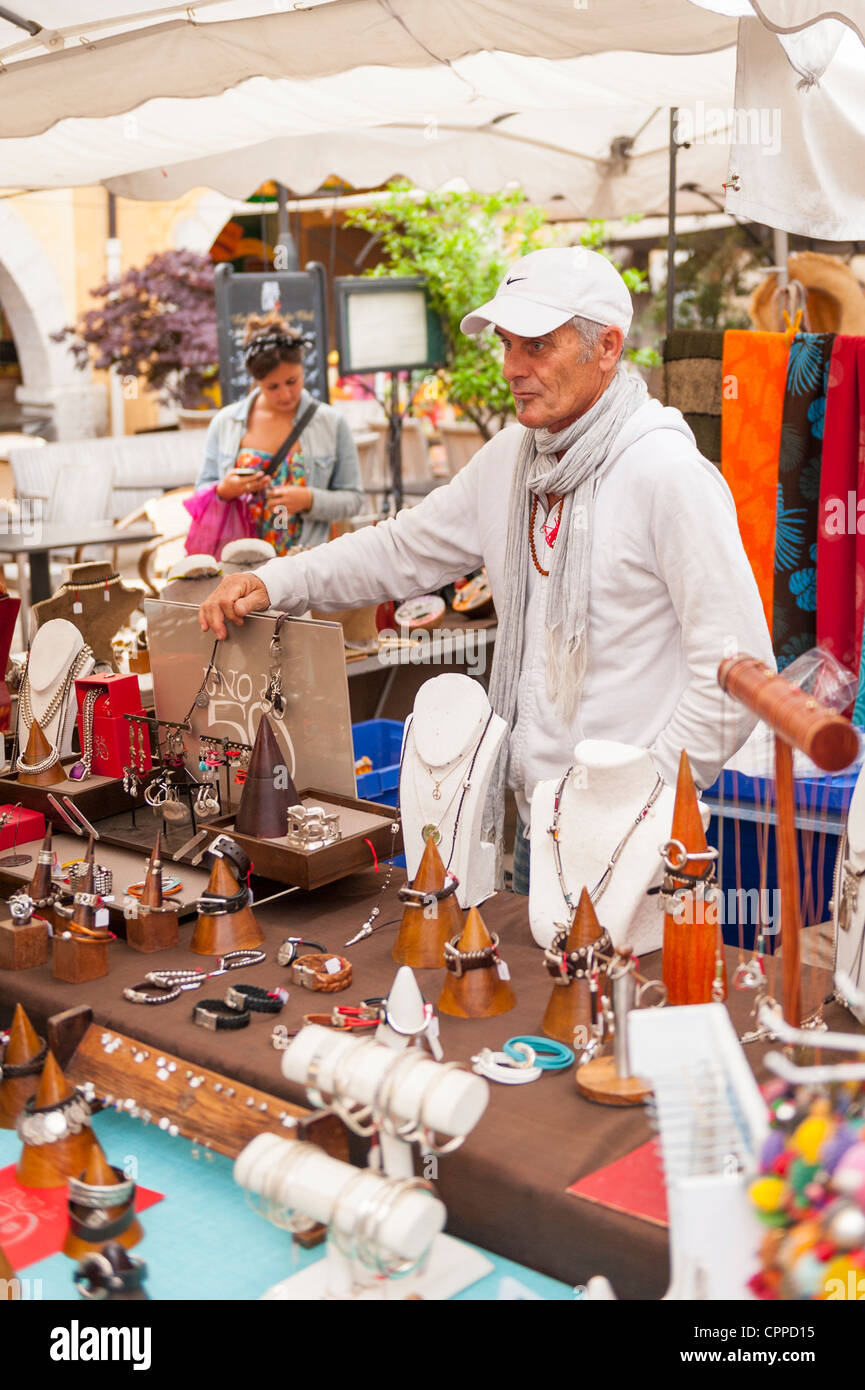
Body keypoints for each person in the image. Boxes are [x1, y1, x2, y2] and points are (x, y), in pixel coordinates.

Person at [199, 248, 774, 893]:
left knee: (624, 999)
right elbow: (403, 547)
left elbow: (738, 671)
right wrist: (278, 580)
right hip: (536, 829)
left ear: (606, 346)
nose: (512, 368)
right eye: (506, 345)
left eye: (536, 346)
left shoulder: (666, 472)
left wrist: (644, 795)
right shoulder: (512, 458)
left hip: (639, 838)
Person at [195, 315, 364, 554]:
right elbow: (200, 491)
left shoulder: (332, 423)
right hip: (241, 565)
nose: (285, 395)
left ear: (303, 370)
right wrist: (225, 490)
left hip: (308, 565)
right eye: (272, 387)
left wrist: (309, 500)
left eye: (292, 381)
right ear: (257, 382)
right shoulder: (226, 423)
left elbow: (355, 499)